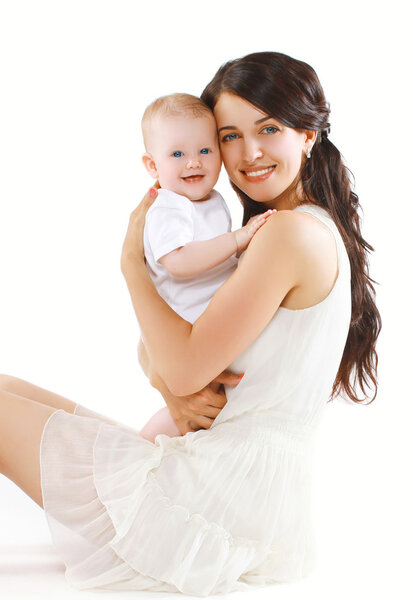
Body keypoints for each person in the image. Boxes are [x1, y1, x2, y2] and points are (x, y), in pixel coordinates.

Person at [0, 51, 381, 596]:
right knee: (6, 386)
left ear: (307, 134)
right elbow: (167, 351)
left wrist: (132, 264)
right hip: (241, 497)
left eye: (268, 128)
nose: (248, 153)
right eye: (229, 135)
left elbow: (179, 365)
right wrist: (169, 380)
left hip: (210, 504)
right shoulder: (286, 229)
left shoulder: (287, 235)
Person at [138, 92, 275, 442]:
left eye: (204, 150)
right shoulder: (169, 206)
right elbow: (179, 262)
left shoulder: (211, 201)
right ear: (153, 166)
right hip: (187, 327)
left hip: (209, 324)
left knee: (209, 411)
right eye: (177, 154)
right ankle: (145, 447)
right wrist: (238, 239)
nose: (193, 163)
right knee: (192, 412)